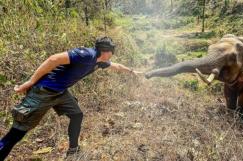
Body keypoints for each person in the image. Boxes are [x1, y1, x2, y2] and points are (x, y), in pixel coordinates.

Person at [0, 36, 142, 160]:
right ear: (107, 51)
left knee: (77, 115)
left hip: (60, 93)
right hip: (44, 92)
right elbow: (53, 59)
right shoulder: (86, 55)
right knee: (18, 132)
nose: (112, 54)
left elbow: (116, 66)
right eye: (112, 51)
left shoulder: (99, 61)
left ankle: (73, 150)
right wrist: (30, 82)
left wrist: (132, 71)